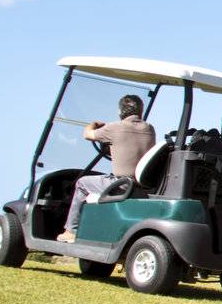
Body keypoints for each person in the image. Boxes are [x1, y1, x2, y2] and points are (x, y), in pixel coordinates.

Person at [58, 94, 156, 243]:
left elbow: (88, 134)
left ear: (120, 111)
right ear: (141, 111)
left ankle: (71, 230)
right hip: (143, 185)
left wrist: (94, 123)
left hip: (121, 185)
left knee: (82, 183)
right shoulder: (149, 128)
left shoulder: (114, 127)